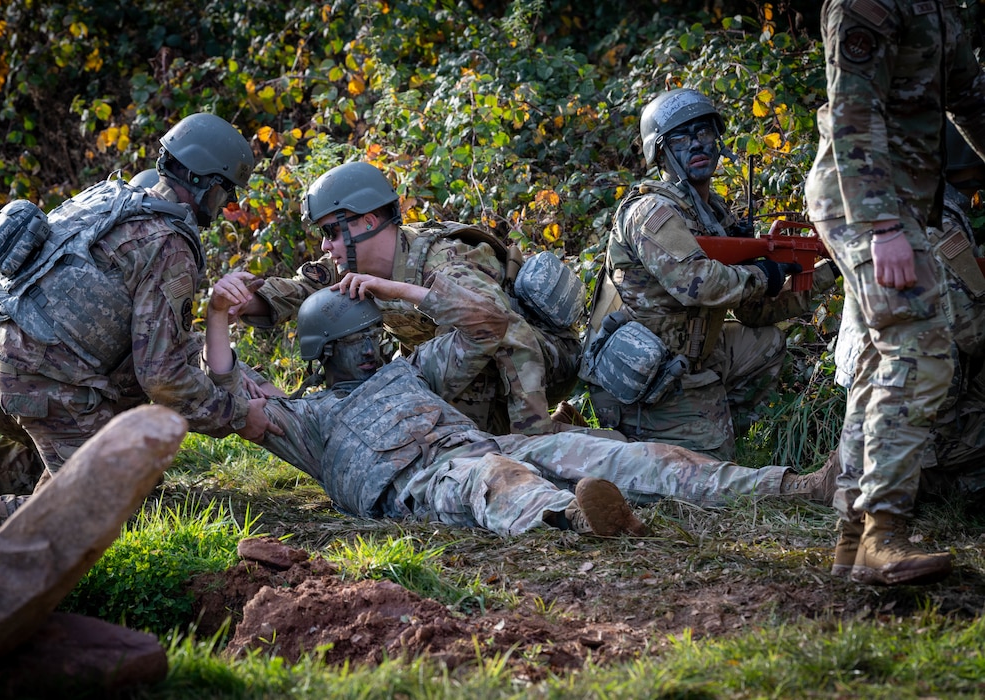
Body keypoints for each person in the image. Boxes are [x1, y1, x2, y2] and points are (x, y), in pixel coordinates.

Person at [192, 270, 837, 540]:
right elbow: (223, 381)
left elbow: (485, 325)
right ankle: (581, 521)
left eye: (373, 335)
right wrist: (220, 310)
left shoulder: (408, 371)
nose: (371, 348)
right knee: (499, 481)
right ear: (323, 354)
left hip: (485, 444)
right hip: (422, 482)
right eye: (357, 341)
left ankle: (792, 487)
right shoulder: (305, 421)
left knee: (625, 453)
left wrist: (396, 289)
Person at [0, 113, 281, 528]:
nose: (226, 205)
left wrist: (238, 373)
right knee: (112, 507)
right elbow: (162, 376)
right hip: (37, 387)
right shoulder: (168, 243)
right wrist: (238, 416)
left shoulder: (108, 198)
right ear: (206, 182)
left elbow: (155, 338)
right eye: (226, 192)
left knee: (138, 472)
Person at [805, 0, 985, 586]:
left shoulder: (935, 8)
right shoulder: (867, 4)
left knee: (879, 360)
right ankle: (884, 530)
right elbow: (852, 110)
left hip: (901, 201)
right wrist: (882, 227)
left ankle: (853, 542)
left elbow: (971, 98)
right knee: (924, 347)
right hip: (860, 198)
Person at [232, 161, 581, 436]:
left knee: (482, 442)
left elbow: (509, 332)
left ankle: (554, 435)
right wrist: (249, 301)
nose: (326, 245)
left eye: (331, 232)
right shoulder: (355, 259)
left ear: (368, 222)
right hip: (478, 364)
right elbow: (303, 288)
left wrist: (532, 432)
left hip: (540, 359)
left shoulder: (444, 264)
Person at [584, 87, 838, 461]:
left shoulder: (712, 213)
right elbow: (696, 285)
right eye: (682, 138)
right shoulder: (652, 212)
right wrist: (761, 275)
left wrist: (828, 271)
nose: (697, 145)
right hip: (646, 374)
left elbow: (753, 312)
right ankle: (636, 436)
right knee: (713, 474)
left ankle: (713, 418)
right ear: (661, 152)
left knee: (766, 343)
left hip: (695, 355)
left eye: (704, 133)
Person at [829, 123, 985, 579]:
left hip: (874, 426)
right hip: (922, 432)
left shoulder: (893, 209)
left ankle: (852, 543)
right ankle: (878, 536)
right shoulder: (939, 219)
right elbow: (973, 328)